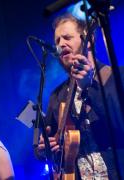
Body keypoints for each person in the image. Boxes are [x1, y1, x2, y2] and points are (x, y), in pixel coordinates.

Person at [36, 13, 124, 179]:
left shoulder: (117, 76)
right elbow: (49, 143)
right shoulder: (57, 95)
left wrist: (88, 88)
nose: (61, 44)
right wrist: (44, 149)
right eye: (57, 41)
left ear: (89, 39)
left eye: (67, 37)